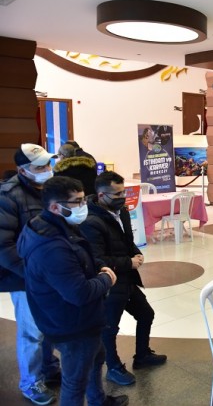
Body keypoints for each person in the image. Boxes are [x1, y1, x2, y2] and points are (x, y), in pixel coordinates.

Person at [18, 176, 128, 406]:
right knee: (75, 382)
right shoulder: (52, 247)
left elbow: (81, 255)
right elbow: (79, 293)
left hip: (80, 320)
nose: (83, 206)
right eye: (77, 202)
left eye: (83, 199)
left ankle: (98, 400)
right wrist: (106, 278)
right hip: (72, 325)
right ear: (55, 207)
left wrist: (97, 265)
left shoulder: (52, 225)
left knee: (96, 358)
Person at [80, 171, 166, 387]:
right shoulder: (91, 222)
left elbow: (127, 241)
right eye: (117, 194)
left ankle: (142, 355)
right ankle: (113, 367)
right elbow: (97, 259)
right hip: (110, 282)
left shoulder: (123, 212)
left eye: (123, 192)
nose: (123, 197)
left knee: (146, 314)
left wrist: (136, 253)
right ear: (101, 195)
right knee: (110, 328)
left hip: (127, 279)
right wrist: (129, 262)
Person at [0, 143, 60, 405]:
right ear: (22, 170)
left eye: (47, 163)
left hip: (48, 273)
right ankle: (31, 382)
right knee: (31, 332)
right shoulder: (8, 196)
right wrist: (31, 274)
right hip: (23, 277)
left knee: (47, 325)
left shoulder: (47, 189)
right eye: (39, 166)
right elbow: (4, 247)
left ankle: (48, 366)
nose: (46, 169)